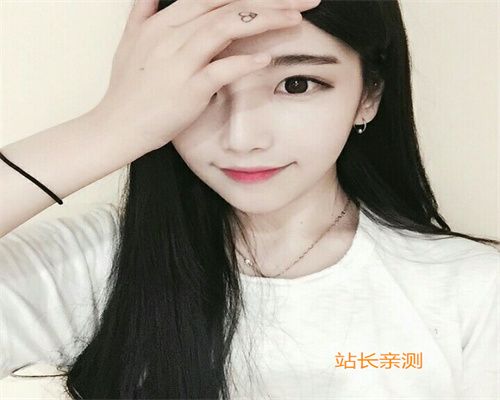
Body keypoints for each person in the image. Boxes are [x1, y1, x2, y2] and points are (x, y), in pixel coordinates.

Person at [0, 0, 498, 398]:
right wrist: (109, 128)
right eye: (205, 87)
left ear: (368, 94)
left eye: (296, 84)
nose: (243, 138)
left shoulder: (473, 292)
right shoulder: (88, 265)